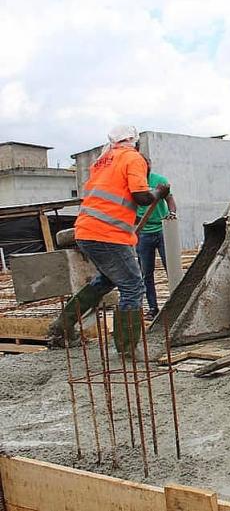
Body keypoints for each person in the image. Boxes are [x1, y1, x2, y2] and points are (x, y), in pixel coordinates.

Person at [49, 125, 170, 354]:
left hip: (87, 231)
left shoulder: (103, 160)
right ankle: (127, 348)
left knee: (106, 280)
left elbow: (114, 199)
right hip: (107, 234)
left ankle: (61, 327)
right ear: (134, 141)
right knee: (133, 286)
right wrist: (158, 193)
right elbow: (141, 196)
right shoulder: (133, 158)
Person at [136, 156, 177, 320]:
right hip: (143, 232)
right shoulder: (134, 183)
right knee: (146, 273)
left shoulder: (159, 180)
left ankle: (176, 306)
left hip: (161, 228)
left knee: (172, 269)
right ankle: (153, 309)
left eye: (147, 164)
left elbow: (170, 199)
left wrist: (172, 213)